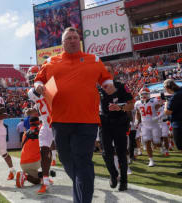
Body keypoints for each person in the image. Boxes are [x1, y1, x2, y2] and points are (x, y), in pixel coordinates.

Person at [34, 27, 115, 203]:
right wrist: (39, 86)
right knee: (66, 159)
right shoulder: (50, 61)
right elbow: (39, 79)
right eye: (69, 38)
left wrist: (109, 85)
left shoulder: (93, 59)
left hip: (87, 120)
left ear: (79, 41)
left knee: (83, 160)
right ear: (63, 43)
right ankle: (81, 187)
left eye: (75, 37)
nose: (73, 40)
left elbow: (106, 78)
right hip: (60, 120)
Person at [99, 66, 134, 192]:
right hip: (104, 124)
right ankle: (113, 174)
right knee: (105, 153)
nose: (107, 74)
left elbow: (131, 104)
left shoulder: (121, 86)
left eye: (109, 72)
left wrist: (121, 107)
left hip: (119, 123)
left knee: (121, 154)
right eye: (104, 72)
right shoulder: (97, 88)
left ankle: (124, 181)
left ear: (114, 73)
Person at [26, 65, 56, 194]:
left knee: (70, 154)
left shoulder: (52, 84)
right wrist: (33, 111)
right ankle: (45, 181)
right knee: (43, 150)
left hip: (60, 122)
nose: (32, 80)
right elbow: (40, 102)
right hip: (46, 123)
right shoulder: (32, 91)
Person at [135, 87, 162, 167]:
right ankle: (151, 160)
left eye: (145, 94)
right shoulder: (138, 103)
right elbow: (138, 113)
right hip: (145, 125)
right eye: (142, 94)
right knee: (147, 142)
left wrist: (158, 117)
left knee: (156, 142)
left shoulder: (154, 101)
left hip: (154, 125)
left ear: (149, 94)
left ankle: (161, 145)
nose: (144, 95)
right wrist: (137, 120)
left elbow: (161, 110)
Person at [163, 79, 182, 175]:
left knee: (180, 145)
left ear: (167, 88)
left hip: (178, 123)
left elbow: (167, 112)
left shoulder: (175, 96)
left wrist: (166, 104)